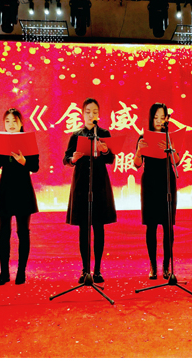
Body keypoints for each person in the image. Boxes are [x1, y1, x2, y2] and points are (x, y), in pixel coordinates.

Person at [63, 98, 117, 284]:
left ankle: (98, 270)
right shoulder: (76, 135)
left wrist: (105, 150)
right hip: (81, 185)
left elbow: (110, 159)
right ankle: (85, 270)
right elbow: (66, 159)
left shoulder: (104, 133)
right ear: (82, 114)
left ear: (98, 114)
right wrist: (73, 158)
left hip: (99, 184)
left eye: (94, 112)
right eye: (88, 112)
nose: (91, 115)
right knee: (84, 229)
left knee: (99, 227)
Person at [0, 108, 39, 286]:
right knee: (3, 233)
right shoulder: (0, 142)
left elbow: (35, 166)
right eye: (7, 121)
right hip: (5, 190)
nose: (11, 125)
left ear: (20, 123)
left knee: (23, 232)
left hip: (23, 190)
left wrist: (23, 161)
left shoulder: (28, 141)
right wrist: (0, 150)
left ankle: (21, 272)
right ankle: (4, 273)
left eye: (14, 121)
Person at [134, 103, 177, 280]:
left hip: (167, 182)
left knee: (168, 226)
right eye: (156, 117)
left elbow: (176, 161)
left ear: (166, 118)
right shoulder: (143, 137)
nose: (159, 121)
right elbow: (137, 163)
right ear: (151, 118)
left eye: (162, 117)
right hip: (150, 183)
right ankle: (153, 266)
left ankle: (166, 266)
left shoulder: (169, 137)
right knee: (151, 226)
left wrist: (170, 148)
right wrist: (139, 151)